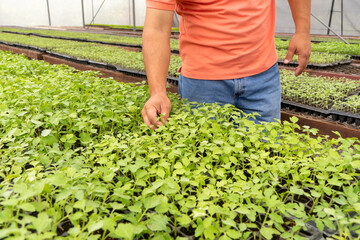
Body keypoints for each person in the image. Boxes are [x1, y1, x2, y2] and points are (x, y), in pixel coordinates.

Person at [141, 0, 311, 129]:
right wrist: (157, 92)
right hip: (203, 84)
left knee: (264, 160)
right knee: (207, 166)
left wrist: (302, 31)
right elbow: (157, 28)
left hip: (263, 78)